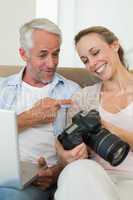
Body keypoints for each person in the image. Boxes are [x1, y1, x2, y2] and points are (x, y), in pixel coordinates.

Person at [0, 18, 82, 200]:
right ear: (23, 54)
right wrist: (28, 118)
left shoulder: (71, 91)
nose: (52, 63)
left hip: (40, 180)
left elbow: (83, 149)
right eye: (43, 55)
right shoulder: (2, 89)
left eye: (56, 54)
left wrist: (57, 172)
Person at [55, 26, 133, 200]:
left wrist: (105, 127)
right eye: (85, 60)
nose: (91, 64)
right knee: (77, 170)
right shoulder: (83, 98)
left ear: (114, 45)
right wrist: (65, 155)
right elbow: (69, 146)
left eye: (95, 53)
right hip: (95, 180)